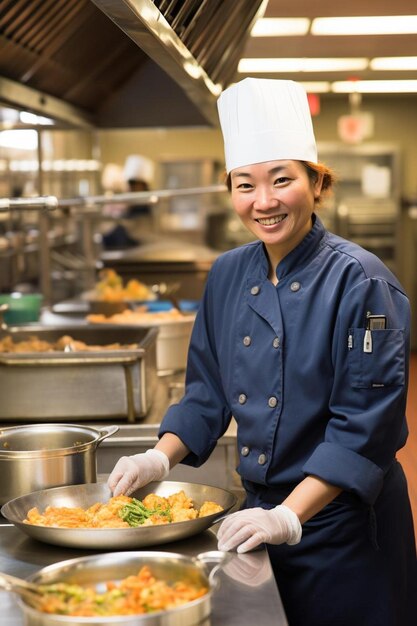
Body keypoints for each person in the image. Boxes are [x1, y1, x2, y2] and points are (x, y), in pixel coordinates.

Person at [107, 78, 417, 625]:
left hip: (344, 527)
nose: (264, 202)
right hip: (257, 517)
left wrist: (289, 516)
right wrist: (159, 457)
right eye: (245, 184)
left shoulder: (362, 282)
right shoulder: (227, 273)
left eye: (282, 180)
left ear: (316, 182)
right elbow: (206, 392)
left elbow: (363, 430)